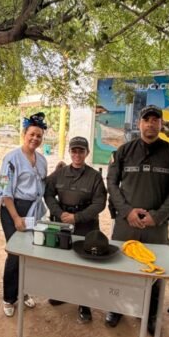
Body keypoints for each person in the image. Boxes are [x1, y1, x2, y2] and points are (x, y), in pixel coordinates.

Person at [105, 105, 169, 333]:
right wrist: (127, 211)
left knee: (155, 270)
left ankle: (151, 315)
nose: (150, 123)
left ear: (161, 125)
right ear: (139, 124)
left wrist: (157, 216)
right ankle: (116, 308)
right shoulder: (124, 151)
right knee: (119, 266)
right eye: (146, 119)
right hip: (126, 222)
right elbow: (112, 183)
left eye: (155, 120)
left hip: (155, 226)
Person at [43, 136, 107, 323]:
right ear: (70, 152)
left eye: (81, 150)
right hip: (62, 223)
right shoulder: (60, 173)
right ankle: (62, 294)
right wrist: (59, 212)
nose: (77, 154)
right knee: (63, 261)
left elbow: (100, 203)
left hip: (85, 226)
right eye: (74, 150)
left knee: (84, 265)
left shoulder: (94, 176)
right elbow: (48, 193)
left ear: (87, 153)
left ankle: (84, 304)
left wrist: (77, 217)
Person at [0, 112, 49, 317]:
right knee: (15, 253)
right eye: (32, 134)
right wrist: (16, 217)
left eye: (39, 135)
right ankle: (9, 297)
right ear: (24, 134)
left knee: (29, 253)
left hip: (33, 210)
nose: (35, 138)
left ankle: (24, 290)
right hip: (14, 209)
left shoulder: (42, 159)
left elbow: (42, 184)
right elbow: (4, 190)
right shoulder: (11, 158)